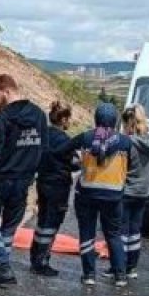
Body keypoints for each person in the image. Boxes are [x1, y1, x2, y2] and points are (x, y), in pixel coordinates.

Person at [0, 74, 47, 288]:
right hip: (23, 180)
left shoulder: (2, 118)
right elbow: (43, 149)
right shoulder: (38, 115)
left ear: (7, 91)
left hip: (0, 179)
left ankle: (3, 265)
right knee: (9, 226)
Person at [56, 103, 130, 285]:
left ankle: (89, 275)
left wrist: (77, 161)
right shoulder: (125, 141)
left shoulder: (86, 137)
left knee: (87, 233)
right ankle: (120, 275)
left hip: (87, 194)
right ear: (115, 121)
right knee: (113, 234)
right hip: (114, 195)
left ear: (95, 119)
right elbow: (133, 166)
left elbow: (61, 151)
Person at [30, 101, 75, 276]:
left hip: (43, 183)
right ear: (63, 119)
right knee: (51, 223)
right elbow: (75, 163)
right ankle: (41, 261)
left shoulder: (43, 135)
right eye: (68, 119)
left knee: (42, 221)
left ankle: (36, 257)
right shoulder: (64, 139)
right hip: (58, 186)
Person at [120, 103, 149, 277]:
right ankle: (132, 267)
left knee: (122, 231)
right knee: (135, 231)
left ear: (129, 123)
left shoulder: (127, 142)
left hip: (127, 191)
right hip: (143, 192)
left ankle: (119, 266)